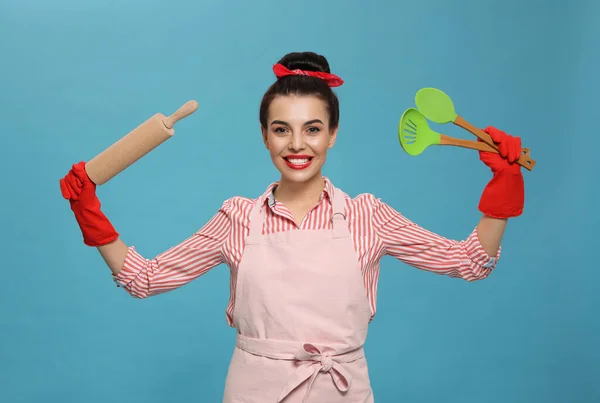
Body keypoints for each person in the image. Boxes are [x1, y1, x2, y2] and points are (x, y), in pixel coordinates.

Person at [59, 51, 525, 402]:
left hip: (341, 391)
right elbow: (146, 279)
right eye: (282, 129)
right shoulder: (237, 218)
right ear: (264, 135)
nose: (297, 144)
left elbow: (469, 262)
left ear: (333, 134)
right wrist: (89, 211)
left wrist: (504, 187)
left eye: (313, 129)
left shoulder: (368, 215)